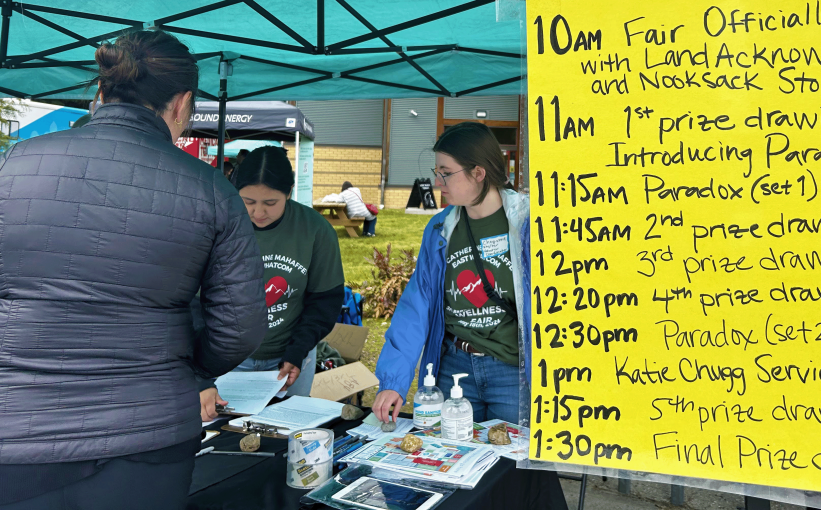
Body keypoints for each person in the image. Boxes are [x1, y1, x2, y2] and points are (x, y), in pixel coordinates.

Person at [0, 30, 267, 510]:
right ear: (184, 103)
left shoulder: (12, 164)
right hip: (148, 435)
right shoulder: (210, 189)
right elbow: (241, 327)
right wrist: (184, 369)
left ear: (101, 92)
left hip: (17, 429)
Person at [373, 122, 527, 423]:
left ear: (478, 173)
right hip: (454, 370)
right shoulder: (440, 229)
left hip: (513, 373)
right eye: (437, 173)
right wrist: (393, 382)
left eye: (446, 172)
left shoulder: (527, 225)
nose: (438, 182)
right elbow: (416, 306)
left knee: (509, 467)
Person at [201, 146, 347, 410]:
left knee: (286, 433)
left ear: (289, 193)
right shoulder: (218, 225)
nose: (258, 213)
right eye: (248, 202)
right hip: (228, 357)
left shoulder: (315, 230)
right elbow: (198, 300)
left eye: (270, 203)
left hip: (290, 356)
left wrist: (298, 350)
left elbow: (324, 300)